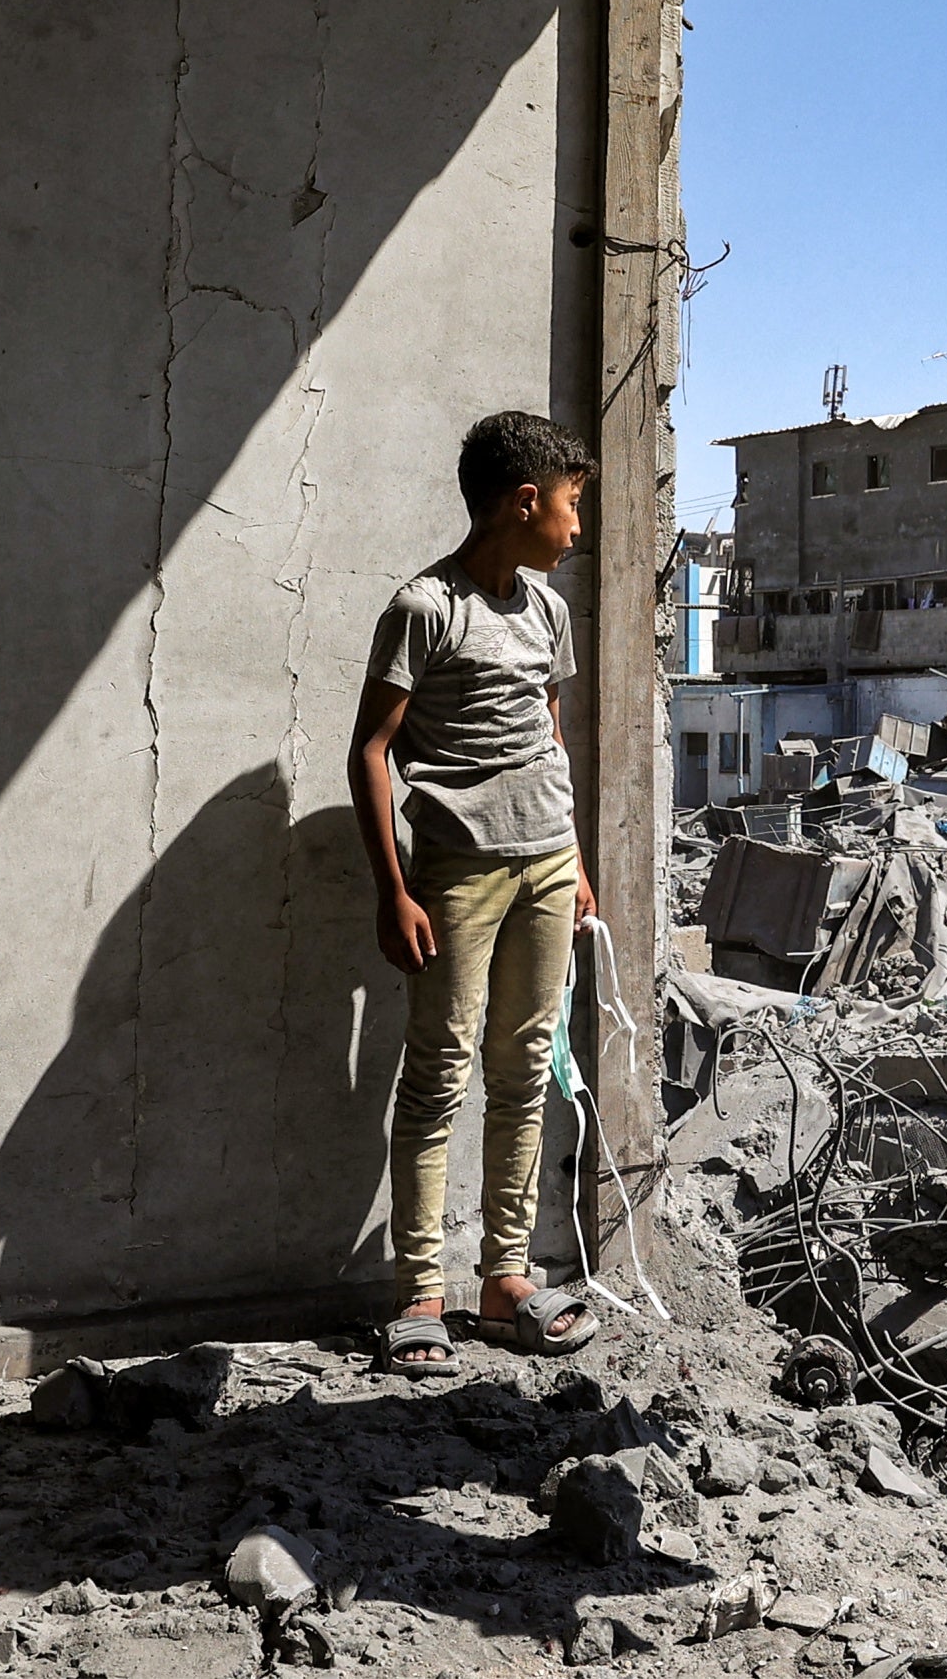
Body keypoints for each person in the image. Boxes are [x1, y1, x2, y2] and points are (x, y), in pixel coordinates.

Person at [352, 408, 600, 1365]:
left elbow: (549, 735)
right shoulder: (425, 608)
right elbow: (370, 753)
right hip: (456, 872)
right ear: (526, 500)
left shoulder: (547, 610)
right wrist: (393, 890)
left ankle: (505, 1280)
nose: (578, 526)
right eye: (572, 504)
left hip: (545, 865)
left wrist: (573, 857)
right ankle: (419, 1291)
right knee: (437, 1075)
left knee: (526, 1069)